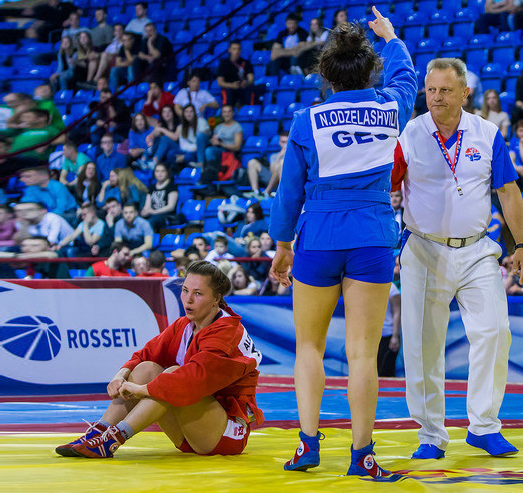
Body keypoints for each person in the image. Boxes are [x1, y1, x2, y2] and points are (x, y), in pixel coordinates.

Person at [269, 10, 417, 476]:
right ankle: (362, 455)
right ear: (369, 69)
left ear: (326, 75)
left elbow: (289, 191)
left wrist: (282, 246)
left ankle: (308, 446)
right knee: (362, 352)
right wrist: (390, 39)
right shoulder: (392, 105)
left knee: (309, 347)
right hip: (373, 234)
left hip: (319, 235)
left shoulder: (305, 120)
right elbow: (407, 74)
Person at [391, 56, 523, 460]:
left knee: (494, 331)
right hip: (422, 248)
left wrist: (521, 244)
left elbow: (507, 191)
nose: (436, 97)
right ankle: (431, 434)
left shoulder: (487, 133)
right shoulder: (409, 135)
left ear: (465, 92)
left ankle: (484, 426)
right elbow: (385, 186)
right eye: (431, 90)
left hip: (477, 249)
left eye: (445, 90)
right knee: (422, 344)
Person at [56, 261, 264, 459]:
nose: (188, 299)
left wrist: (140, 390)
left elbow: (192, 380)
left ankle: (112, 440)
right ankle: (97, 433)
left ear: (216, 298)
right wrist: (120, 376)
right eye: (185, 291)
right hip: (190, 433)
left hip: (226, 435)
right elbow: (144, 355)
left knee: (172, 375)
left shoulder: (227, 331)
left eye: (198, 294)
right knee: (146, 369)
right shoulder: (184, 325)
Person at [202, 104, 243, 187]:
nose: (226, 114)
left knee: (210, 151)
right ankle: (208, 172)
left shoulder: (237, 127)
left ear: (232, 113)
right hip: (218, 152)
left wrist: (220, 144)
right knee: (204, 140)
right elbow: (214, 141)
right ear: (222, 114)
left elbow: (237, 147)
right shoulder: (218, 127)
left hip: (229, 154)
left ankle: (209, 176)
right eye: (224, 112)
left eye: (229, 111)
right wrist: (213, 140)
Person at [217, 41, 260, 107]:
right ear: (229, 50)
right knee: (227, 91)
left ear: (240, 50)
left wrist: (246, 83)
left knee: (251, 89)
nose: (236, 51)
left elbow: (251, 79)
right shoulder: (224, 63)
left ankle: (248, 111)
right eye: (234, 49)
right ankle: (227, 112)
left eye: (238, 49)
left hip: (242, 88)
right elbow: (220, 82)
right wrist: (232, 85)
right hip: (229, 88)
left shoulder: (246, 63)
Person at [246, 131, 288, 196]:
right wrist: (279, 156)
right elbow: (272, 170)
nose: (285, 145)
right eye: (283, 142)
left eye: (286, 142)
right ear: (279, 142)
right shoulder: (274, 156)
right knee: (252, 162)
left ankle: (268, 192)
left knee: (281, 163)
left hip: (287, 180)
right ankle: (255, 192)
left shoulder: (294, 156)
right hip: (272, 178)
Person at [141, 163, 178, 231]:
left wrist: (155, 212)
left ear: (167, 172)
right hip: (153, 214)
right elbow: (147, 205)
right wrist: (144, 211)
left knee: (152, 221)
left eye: (162, 171)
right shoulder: (152, 187)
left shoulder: (172, 186)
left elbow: (171, 207)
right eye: (157, 171)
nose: (160, 173)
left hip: (165, 215)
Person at [376, 278, 400, 377]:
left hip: (387, 335)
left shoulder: (392, 289)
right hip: (371, 335)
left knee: (385, 371)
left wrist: (395, 336)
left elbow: (397, 312)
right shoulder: (367, 285)